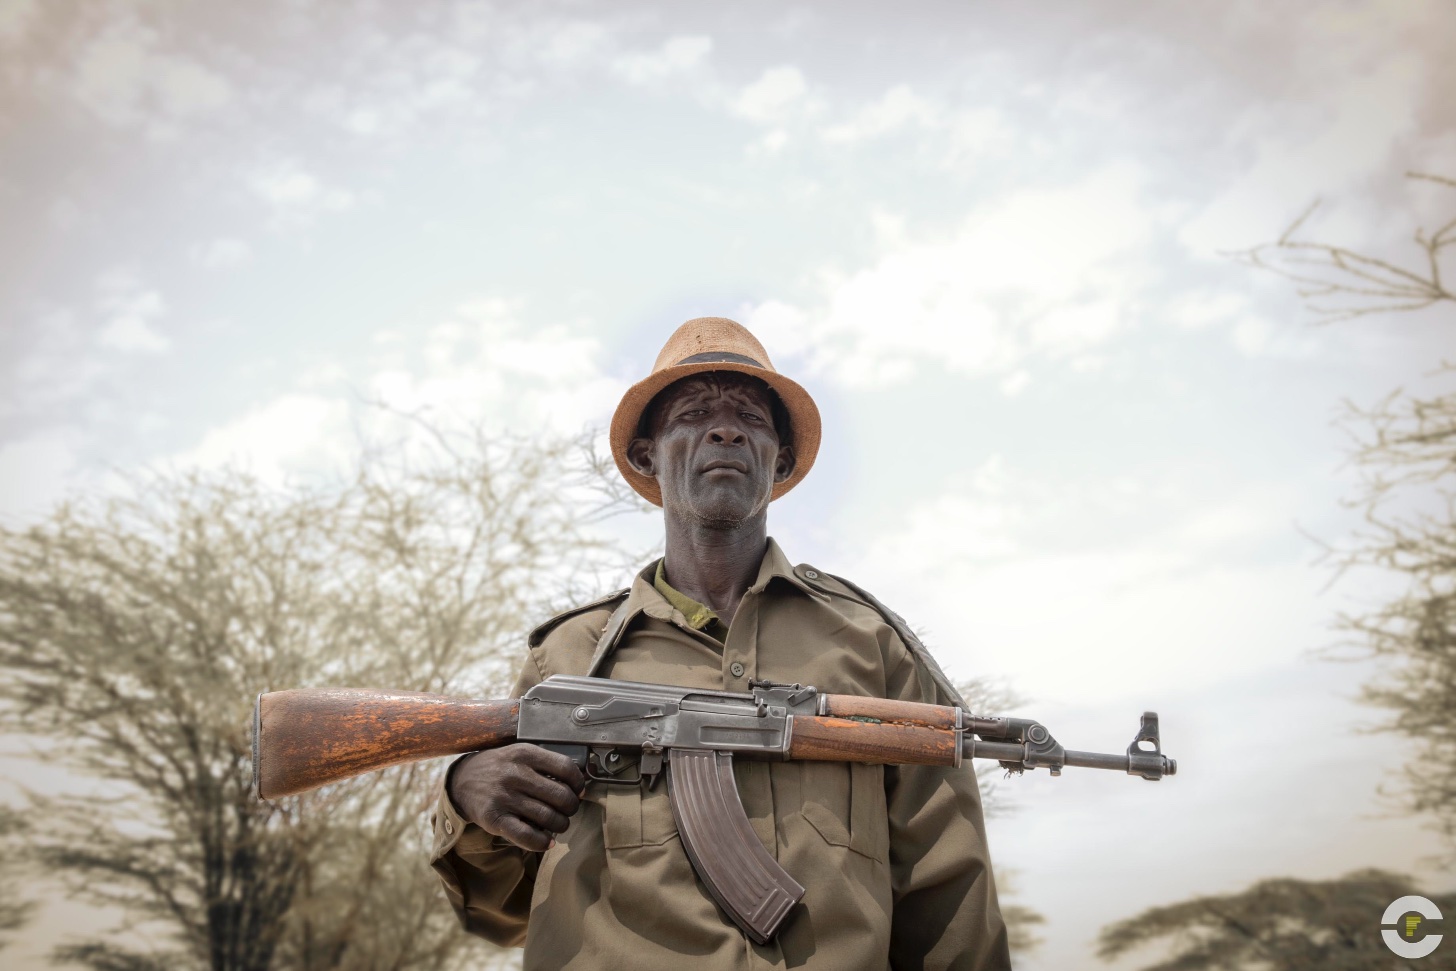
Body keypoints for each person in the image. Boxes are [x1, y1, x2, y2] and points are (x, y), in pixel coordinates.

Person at [429, 317, 1011, 970]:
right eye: (693, 411)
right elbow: (494, 910)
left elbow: (952, 904)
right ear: (648, 452)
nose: (725, 428)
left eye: (750, 416)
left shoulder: (875, 647)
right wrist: (465, 795)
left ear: (780, 458)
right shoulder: (569, 658)